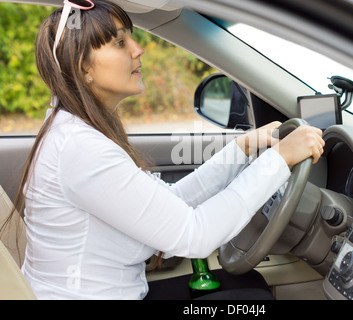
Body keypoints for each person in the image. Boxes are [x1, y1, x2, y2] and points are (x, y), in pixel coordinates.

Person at [7, 0, 325, 299]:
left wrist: (241, 148)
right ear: (83, 67)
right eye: (120, 43)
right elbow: (196, 235)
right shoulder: (80, 149)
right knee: (252, 299)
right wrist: (280, 159)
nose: (138, 49)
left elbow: (171, 204)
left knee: (250, 288)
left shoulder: (76, 132)